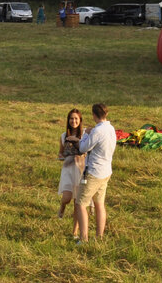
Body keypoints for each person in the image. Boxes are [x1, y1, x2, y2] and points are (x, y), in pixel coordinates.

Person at [75, 103, 116, 245]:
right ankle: (99, 237)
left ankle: (83, 238)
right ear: (106, 114)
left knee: (80, 203)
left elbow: (82, 147)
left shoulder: (96, 131)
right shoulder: (110, 129)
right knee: (99, 204)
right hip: (106, 171)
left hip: (94, 172)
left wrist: (86, 135)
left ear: (94, 115)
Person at [58, 108, 86, 236]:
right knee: (67, 197)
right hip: (68, 169)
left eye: (76, 119)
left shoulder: (85, 135)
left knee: (77, 202)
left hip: (80, 169)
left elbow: (88, 150)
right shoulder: (64, 136)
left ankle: (74, 232)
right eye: (71, 118)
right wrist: (60, 156)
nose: (73, 121)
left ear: (80, 121)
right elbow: (61, 151)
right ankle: (62, 206)